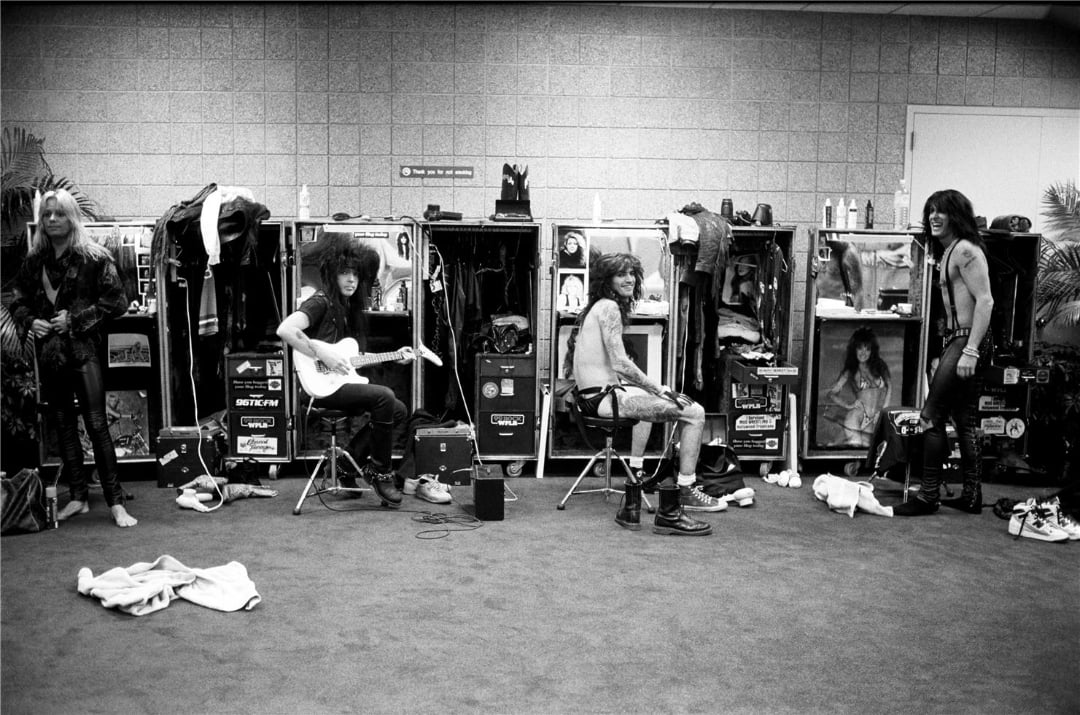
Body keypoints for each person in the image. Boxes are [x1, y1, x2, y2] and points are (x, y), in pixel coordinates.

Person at [277, 240, 447, 506]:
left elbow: (348, 357)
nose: (351, 280)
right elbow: (286, 330)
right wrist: (322, 354)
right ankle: (380, 473)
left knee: (398, 410)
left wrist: (395, 356)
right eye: (345, 273)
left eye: (356, 274)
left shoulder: (344, 308)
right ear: (332, 273)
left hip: (335, 383)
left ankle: (346, 463)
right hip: (319, 388)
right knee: (384, 396)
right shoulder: (320, 301)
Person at [565, 252, 720, 536]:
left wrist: (649, 389)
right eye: (620, 274)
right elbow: (620, 363)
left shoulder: (595, 307)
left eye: (631, 274)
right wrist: (659, 387)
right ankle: (685, 489)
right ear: (606, 279)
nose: (628, 279)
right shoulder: (609, 307)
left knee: (646, 404)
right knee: (694, 412)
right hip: (603, 398)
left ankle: (636, 474)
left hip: (594, 396)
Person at [10, 190, 137, 527]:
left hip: (84, 352)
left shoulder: (94, 257)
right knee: (64, 426)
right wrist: (29, 320)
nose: (52, 220)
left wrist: (76, 320)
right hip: (50, 355)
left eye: (59, 214)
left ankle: (116, 503)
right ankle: (78, 497)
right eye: (47, 215)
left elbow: (118, 301)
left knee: (97, 424)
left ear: (72, 217)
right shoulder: (34, 260)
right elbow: (17, 299)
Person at [894, 189, 993, 516]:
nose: (934, 217)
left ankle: (929, 495)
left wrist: (970, 351)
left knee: (930, 416)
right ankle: (971, 495)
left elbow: (986, 301)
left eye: (942, 212)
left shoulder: (965, 250)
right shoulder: (950, 251)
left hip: (967, 340)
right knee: (964, 420)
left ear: (957, 216)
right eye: (931, 211)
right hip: (959, 340)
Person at [826, 327, 892, 448]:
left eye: (867, 349)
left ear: (872, 351)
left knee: (868, 454)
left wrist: (883, 411)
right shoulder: (851, 370)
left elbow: (889, 388)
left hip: (873, 419)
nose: (863, 353)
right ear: (854, 349)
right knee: (855, 450)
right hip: (856, 417)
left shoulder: (880, 366)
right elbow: (831, 393)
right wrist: (848, 405)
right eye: (860, 348)